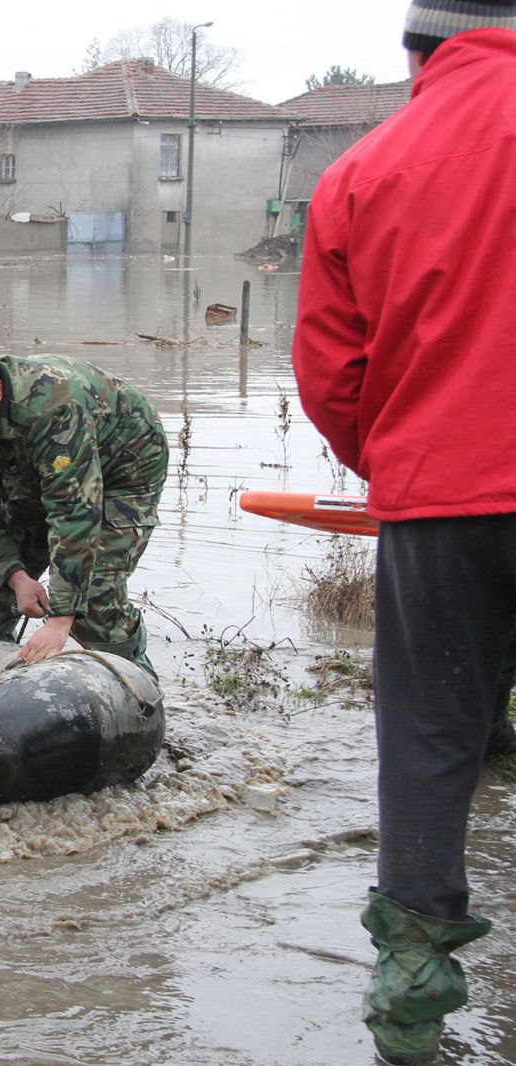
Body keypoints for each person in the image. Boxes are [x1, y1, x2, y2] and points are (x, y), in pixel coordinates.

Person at [290, 4, 516, 1060]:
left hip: (439, 501)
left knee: (428, 742)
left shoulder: (362, 170)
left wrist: (401, 461)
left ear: (416, 51)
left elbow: (329, 373)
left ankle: (413, 1007)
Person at [0, 345, 167, 681]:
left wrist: (61, 618)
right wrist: (18, 577)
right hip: (35, 462)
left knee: (94, 594)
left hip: (124, 467)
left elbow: (74, 513)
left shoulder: (55, 407)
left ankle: (137, 689)